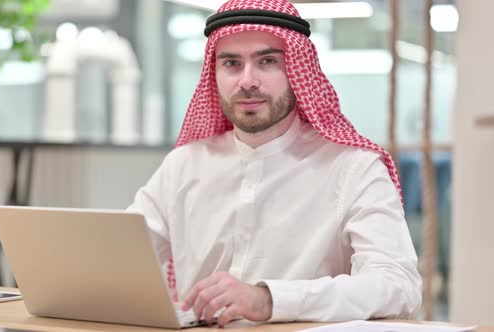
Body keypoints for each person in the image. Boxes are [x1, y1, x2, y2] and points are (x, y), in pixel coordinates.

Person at [127, 0, 421, 327]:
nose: (248, 80)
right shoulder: (183, 165)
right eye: (231, 63)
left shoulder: (354, 167)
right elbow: (116, 257)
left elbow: (398, 284)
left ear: (298, 69)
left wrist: (269, 299)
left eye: (267, 61)